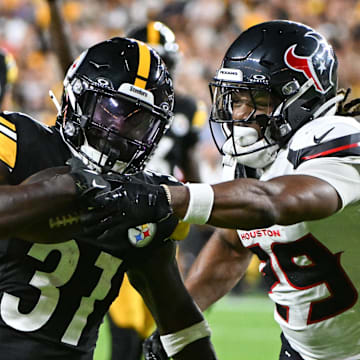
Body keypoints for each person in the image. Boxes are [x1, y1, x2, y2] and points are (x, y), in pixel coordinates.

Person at [93, 20, 360, 360]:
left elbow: (274, 202)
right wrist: (177, 326)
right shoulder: (250, 159)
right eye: (236, 99)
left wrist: (165, 197)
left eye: (258, 99)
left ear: (303, 96)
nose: (240, 114)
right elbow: (231, 245)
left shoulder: (337, 136)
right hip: (300, 351)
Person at [0, 36, 217, 360]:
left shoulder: (138, 200)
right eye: (110, 111)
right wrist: (71, 187)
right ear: (77, 98)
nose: (119, 132)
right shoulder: (20, 142)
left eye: (139, 122)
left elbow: (181, 322)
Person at [104, 21, 210, 360]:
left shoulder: (187, 109)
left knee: (159, 336)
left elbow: (193, 174)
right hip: (121, 216)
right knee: (127, 336)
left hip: (163, 220)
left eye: (164, 61)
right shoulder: (114, 105)